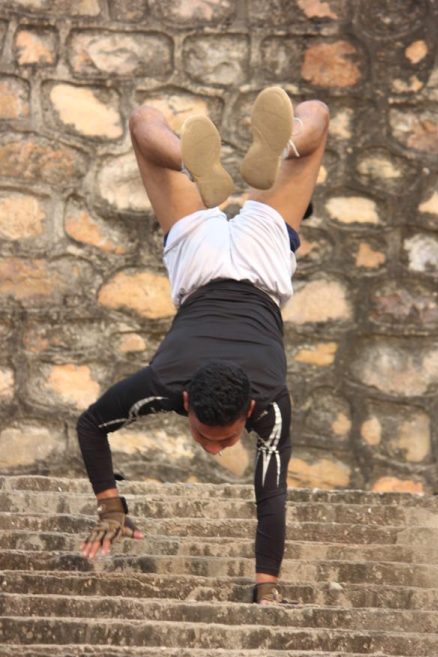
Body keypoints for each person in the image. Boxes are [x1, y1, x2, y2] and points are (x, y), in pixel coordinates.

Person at [77, 86, 329, 605]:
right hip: (201, 260)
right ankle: (241, 151)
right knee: (145, 122)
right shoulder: (185, 386)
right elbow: (270, 498)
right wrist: (266, 588)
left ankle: (232, 155)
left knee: (315, 119)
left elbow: (93, 424)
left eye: (217, 438)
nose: (213, 448)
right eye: (210, 437)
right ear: (190, 402)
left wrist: (111, 504)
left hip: (258, 261)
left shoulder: (235, 395)